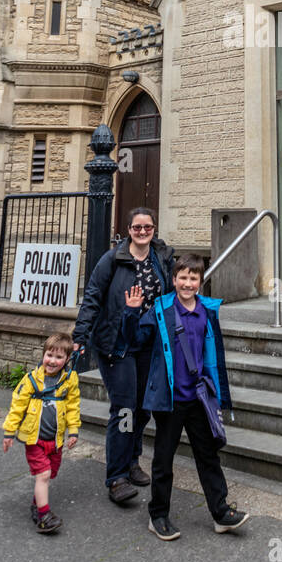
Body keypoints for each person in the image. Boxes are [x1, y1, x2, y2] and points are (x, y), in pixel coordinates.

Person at [138, 252, 249, 540]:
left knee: (207, 455)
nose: (188, 283)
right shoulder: (161, 309)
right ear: (173, 280)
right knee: (164, 459)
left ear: (201, 281)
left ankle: (221, 512)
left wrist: (218, 395)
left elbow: (212, 356)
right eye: (183, 277)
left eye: (193, 278)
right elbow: (137, 340)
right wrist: (130, 312)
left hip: (198, 398)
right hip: (170, 399)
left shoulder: (207, 311)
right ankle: (158, 515)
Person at [73, 208, 173, 504]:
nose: (143, 232)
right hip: (118, 344)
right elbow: (92, 295)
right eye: (137, 227)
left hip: (149, 343)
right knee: (125, 408)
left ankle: (132, 460)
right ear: (128, 230)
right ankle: (116, 476)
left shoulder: (162, 258)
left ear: (154, 229)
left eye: (148, 227)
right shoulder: (113, 259)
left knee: (143, 408)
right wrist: (80, 335)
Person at [2, 331, 80, 534]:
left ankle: (36, 506)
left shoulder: (69, 380)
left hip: (55, 441)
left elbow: (73, 406)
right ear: (43, 354)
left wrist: (73, 431)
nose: (52, 361)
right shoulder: (31, 380)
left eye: (59, 357)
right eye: (49, 355)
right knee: (43, 474)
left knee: (49, 474)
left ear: (67, 359)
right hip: (34, 439)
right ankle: (44, 516)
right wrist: (9, 432)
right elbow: (17, 405)